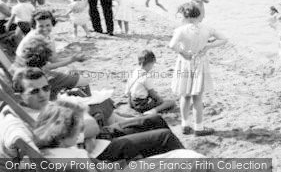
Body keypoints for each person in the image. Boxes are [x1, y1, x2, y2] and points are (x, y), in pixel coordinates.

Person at [11, 68, 189, 162]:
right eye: (34, 91)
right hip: (97, 153)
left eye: (45, 88)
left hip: (98, 138)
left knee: (154, 119)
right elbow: (68, 141)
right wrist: (87, 134)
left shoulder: (46, 104)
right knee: (163, 137)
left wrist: (87, 135)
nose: (42, 94)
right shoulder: (28, 118)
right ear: (20, 96)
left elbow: (89, 120)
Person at [170, 2, 228, 136]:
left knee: (184, 95)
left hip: (185, 62)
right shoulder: (207, 28)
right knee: (197, 97)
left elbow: (172, 45)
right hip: (200, 62)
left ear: (186, 16)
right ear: (198, 15)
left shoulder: (181, 30)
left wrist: (183, 53)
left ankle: (185, 124)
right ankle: (198, 127)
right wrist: (208, 46)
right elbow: (224, 39)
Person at [12, 35, 89, 98]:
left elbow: (48, 67)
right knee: (79, 78)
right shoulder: (53, 78)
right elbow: (84, 81)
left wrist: (72, 60)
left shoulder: (24, 73)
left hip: (40, 104)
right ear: (48, 57)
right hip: (52, 105)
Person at [126, 50, 175, 115]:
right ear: (150, 63)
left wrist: (130, 103)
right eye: (153, 64)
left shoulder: (134, 72)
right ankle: (153, 111)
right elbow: (152, 93)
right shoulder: (146, 76)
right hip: (142, 104)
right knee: (170, 102)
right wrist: (160, 100)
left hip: (132, 101)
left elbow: (128, 91)